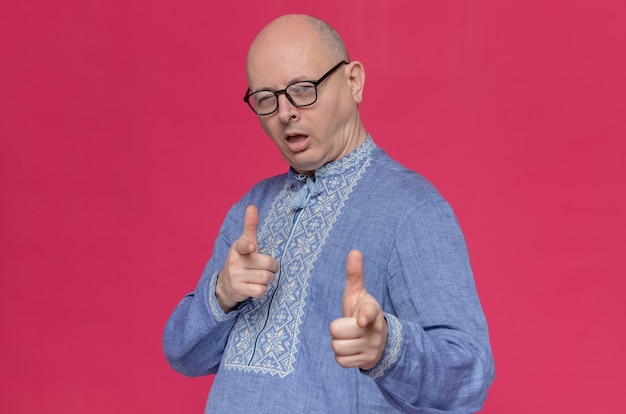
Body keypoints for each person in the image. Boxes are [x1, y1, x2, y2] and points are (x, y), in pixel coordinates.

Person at [163, 14, 495, 413]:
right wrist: (223, 294)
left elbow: (470, 377)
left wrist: (388, 347)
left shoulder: (413, 208)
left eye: (303, 90)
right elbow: (183, 355)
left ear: (353, 81)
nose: (285, 112)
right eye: (266, 98)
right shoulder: (253, 208)